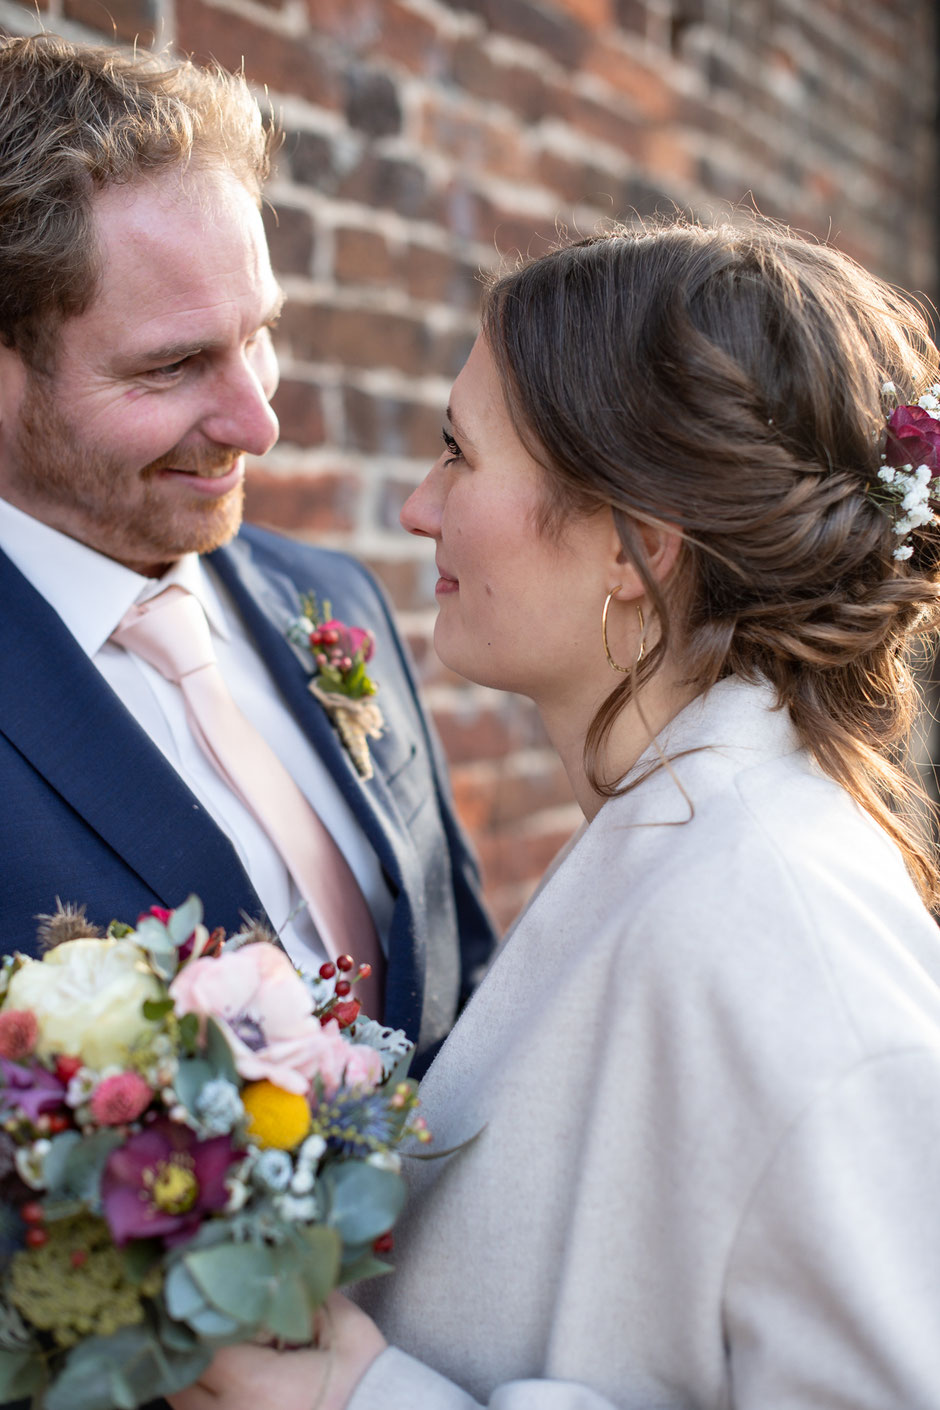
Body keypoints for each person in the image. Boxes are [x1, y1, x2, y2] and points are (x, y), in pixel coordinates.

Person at [174, 216, 940, 1409]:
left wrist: (360, 1400)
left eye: (458, 454)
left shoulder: (782, 935)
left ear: (637, 546)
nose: (421, 508)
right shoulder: (676, 837)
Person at [0, 33, 496, 1070]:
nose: (258, 421)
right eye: (173, 367)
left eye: (256, 333)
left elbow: (464, 981)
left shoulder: (327, 593)